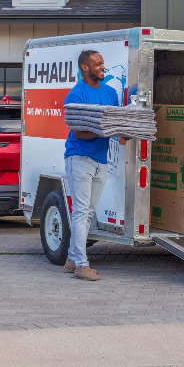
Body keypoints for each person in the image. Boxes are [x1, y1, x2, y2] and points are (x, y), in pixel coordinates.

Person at [63, 49, 120, 280]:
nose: (102, 67)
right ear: (84, 68)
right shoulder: (76, 96)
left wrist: (122, 132)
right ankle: (81, 266)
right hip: (79, 158)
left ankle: (71, 259)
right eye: (97, 64)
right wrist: (106, 130)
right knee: (81, 212)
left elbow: (115, 125)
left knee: (89, 213)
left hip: (100, 160)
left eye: (103, 63)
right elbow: (78, 132)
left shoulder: (110, 93)